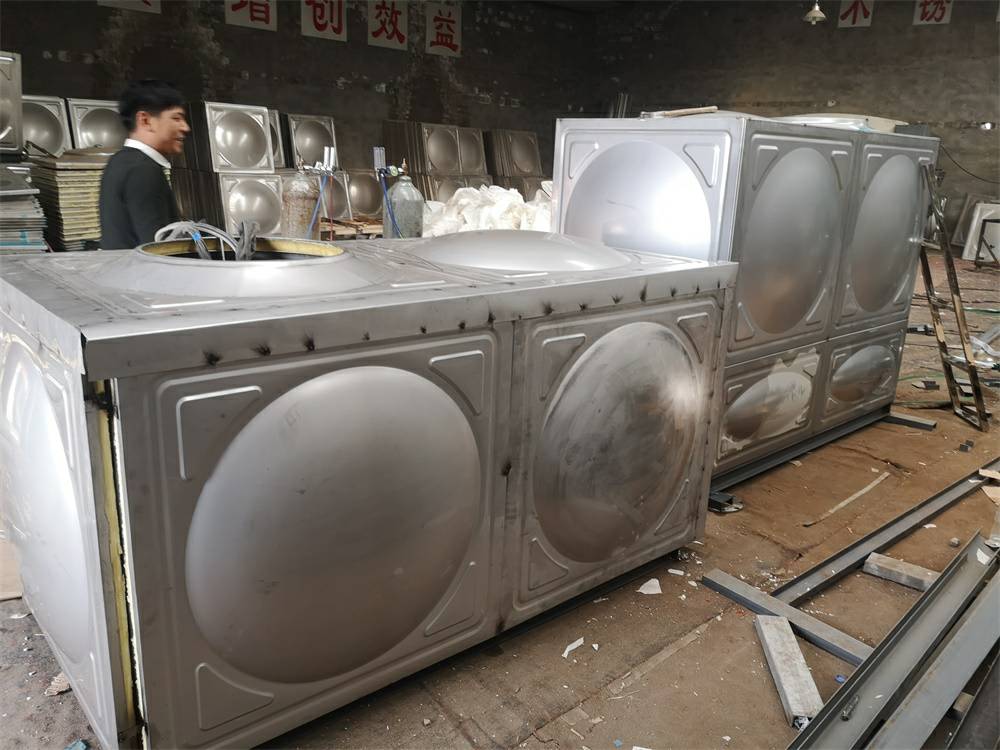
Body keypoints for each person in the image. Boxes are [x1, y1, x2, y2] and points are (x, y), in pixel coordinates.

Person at [99, 80, 189, 249]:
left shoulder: (119, 160)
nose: (185, 127)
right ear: (145, 120)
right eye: (176, 118)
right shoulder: (144, 170)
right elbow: (158, 250)